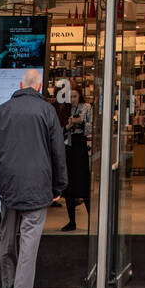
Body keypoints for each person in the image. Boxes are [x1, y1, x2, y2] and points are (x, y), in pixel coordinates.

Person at [0, 68, 67, 288]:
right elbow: (58, 151)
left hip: (9, 186)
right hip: (38, 186)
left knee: (8, 236)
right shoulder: (47, 111)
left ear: (21, 84)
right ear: (38, 87)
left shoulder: (2, 112)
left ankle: (6, 285)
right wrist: (59, 185)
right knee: (29, 241)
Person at [61, 84, 92, 231]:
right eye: (71, 96)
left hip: (80, 148)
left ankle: (93, 219)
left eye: (75, 96)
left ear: (80, 96)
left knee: (83, 183)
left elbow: (91, 128)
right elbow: (59, 131)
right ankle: (71, 220)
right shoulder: (65, 109)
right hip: (68, 149)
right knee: (69, 187)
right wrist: (67, 127)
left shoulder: (86, 107)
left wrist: (82, 122)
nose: (73, 99)